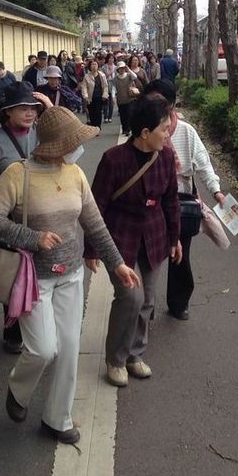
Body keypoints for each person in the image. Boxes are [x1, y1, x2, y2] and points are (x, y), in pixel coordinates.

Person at [0, 107, 138, 444]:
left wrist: (117, 263)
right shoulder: (16, 174)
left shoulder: (75, 174)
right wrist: (33, 238)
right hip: (33, 279)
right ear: (57, 144)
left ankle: (57, 419)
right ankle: (18, 389)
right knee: (42, 349)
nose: (79, 146)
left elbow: (95, 225)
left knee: (69, 349)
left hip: (71, 274)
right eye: (74, 141)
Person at [87, 95, 182, 387]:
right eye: (164, 129)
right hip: (121, 235)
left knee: (148, 300)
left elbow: (171, 200)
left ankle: (134, 354)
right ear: (144, 133)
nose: (168, 134)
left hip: (154, 233)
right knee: (131, 297)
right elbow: (96, 206)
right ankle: (115, 359)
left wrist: (175, 238)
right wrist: (91, 249)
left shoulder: (165, 156)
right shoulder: (113, 160)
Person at [0, 83, 51, 355]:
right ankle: (12, 331)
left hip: (42, 216)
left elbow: (71, 142)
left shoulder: (44, 133)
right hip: (8, 221)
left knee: (43, 275)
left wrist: (49, 109)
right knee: (11, 275)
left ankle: (39, 329)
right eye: (22, 109)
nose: (29, 113)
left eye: (32, 109)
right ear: (7, 112)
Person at [143, 80, 227, 320]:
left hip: (181, 202)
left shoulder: (186, 132)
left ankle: (179, 303)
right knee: (150, 255)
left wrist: (216, 190)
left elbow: (202, 162)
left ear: (171, 104)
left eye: (159, 102)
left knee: (180, 254)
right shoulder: (145, 131)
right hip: (151, 201)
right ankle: (145, 306)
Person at [113, 61, 143, 137]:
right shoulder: (115, 79)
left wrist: (128, 69)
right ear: (118, 69)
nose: (122, 70)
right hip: (120, 99)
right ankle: (125, 128)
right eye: (120, 68)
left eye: (123, 68)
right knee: (123, 115)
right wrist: (113, 96)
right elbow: (113, 88)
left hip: (130, 98)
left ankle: (128, 129)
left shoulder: (129, 75)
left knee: (129, 114)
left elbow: (135, 77)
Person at [80, 58, 109, 129]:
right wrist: (85, 96)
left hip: (99, 97)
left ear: (98, 65)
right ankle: (93, 127)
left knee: (98, 113)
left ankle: (98, 127)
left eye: (95, 64)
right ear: (90, 66)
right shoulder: (87, 76)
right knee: (92, 113)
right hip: (90, 98)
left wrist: (105, 95)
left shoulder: (102, 75)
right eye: (92, 64)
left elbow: (105, 86)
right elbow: (84, 87)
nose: (94, 66)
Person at [101, 54, 117, 124]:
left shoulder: (116, 67)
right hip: (106, 85)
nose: (111, 60)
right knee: (105, 102)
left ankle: (110, 117)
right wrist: (109, 73)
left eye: (112, 58)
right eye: (110, 58)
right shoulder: (104, 67)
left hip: (113, 85)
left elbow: (116, 77)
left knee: (111, 102)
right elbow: (102, 77)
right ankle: (105, 117)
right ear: (107, 59)